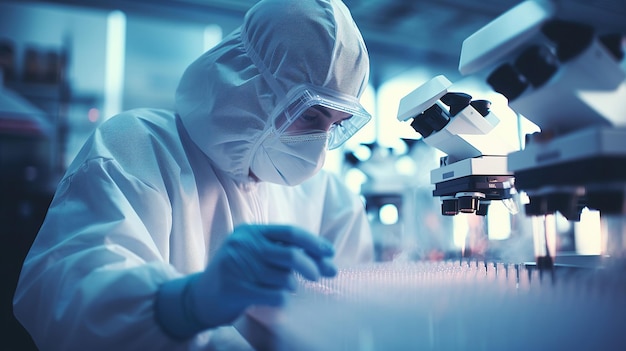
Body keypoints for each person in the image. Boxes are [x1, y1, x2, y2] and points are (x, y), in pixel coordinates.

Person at [13, 0, 374, 349]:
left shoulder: (331, 201)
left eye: (335, 125)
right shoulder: (138, 148)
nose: (318, 146)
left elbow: (360, 325)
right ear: (252, 88)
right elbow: (66, 302)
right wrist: (186, 303)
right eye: (310, 115)